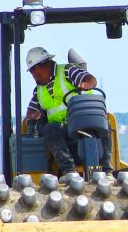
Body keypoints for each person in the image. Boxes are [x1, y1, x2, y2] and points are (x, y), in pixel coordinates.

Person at [25, 46, 112, 175]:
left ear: (44, 65)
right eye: (31, 71)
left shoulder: (67, 71)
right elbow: (30, 111)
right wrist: (33, 115)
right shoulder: (39, 91)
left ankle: (105, 170)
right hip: (62, 132)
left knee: (102, 123)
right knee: (49, 128)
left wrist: (86, 84)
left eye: (33, 70)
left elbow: (90, 79)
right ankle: (69, 171)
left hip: (82, 122)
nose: (33, 74)